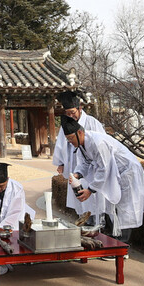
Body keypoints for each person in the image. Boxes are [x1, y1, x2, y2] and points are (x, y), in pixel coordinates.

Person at [62, 116, 144, 243]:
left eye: (71, 138)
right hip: (115, 174)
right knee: (112, 206)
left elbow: (104, 168)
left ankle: (123, 245)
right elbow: (86, 163)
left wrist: (90, 190)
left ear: (79, 132)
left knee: (125, 208)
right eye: (68, 139)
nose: (70, 142)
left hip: (126, 172)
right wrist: (77, 174)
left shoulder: (98, 142)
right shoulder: (82, 144)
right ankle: (116, 239)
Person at [52, 90, 106, 227]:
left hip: (92, 164)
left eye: (73, 112)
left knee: (92, 193)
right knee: (79, 194)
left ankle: (97, 222)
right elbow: (61, 144)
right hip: (75, 162)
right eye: (68, 113)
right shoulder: (67, 124)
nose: (71, 116)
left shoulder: (92, 122)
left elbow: (101, 144)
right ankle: (84, 220)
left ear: (79, 108)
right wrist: (61, 162)